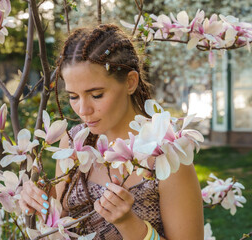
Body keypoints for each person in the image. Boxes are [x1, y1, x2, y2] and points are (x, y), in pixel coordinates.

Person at [19, 24, 204, 240]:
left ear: (130, 82)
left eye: (96, 95)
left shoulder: (167, 156)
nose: (83, 110)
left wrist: (130, 225)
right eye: (73, 96)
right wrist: (41, 200)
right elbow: (64, 222)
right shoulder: (72, 144)